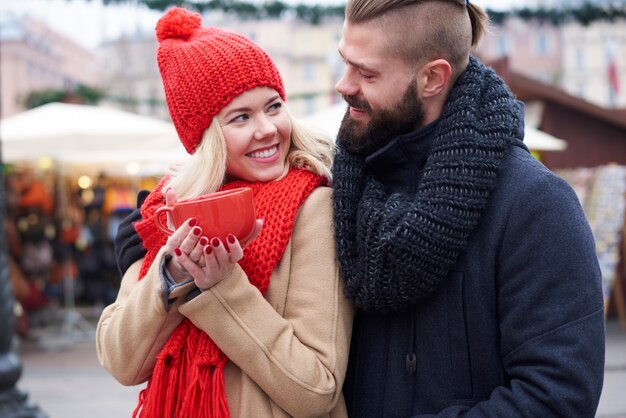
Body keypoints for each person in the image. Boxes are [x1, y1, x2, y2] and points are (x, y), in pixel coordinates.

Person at [115, 1, 606, 417]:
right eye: (345, 62)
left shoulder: (535, 206)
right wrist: (155, 244)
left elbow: (555, 398)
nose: (343, 84)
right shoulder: (352, 177)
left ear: (432, 78)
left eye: (366, 72)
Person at [96, 7, 354, 418]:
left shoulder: (313, 206)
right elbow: (120, 361)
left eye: (273, 106)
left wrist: (219, 288)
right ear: (206, 139)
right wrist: (173, 276)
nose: (267, 128)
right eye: (241, 117)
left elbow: (317, 388)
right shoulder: (165, 213)